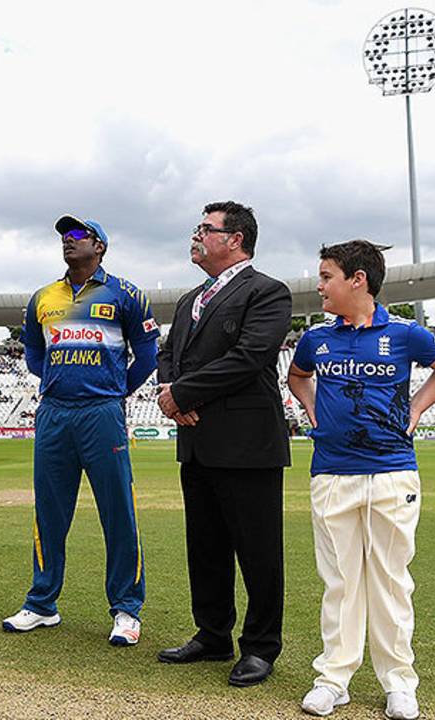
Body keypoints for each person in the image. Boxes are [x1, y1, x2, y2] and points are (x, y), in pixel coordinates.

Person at [287, 240, 435, 720]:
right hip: (332, 472)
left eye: (327, 277)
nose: (319, 285)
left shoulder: (406, 334)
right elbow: (297, 376)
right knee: (340, 582)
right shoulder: (315, 338)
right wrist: (310, 408)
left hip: (392, 472)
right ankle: (334, 679)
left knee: (389, 581)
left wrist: (416, 408)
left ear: (357, 280)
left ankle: (399, 684)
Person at [1, 214, 159, 646]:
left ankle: (126, 608)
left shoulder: (126, 294)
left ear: (100, 246)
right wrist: (57, 382)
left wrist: (114, 391)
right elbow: (35, 355)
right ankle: (41, 603)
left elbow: (147, 355)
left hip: (102, 413)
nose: (68, 242)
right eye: (64, 237)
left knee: (118, 513)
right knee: (49, 513)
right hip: (54, 412)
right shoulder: (42, 297)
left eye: (78, 236)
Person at [155, 201, 292, 687]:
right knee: (205, 545)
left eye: (205, 229)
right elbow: (168, 355)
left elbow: (249, 357)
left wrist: (183, 394)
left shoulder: (268, 292)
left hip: (247, 443)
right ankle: (212, 633)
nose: (196, 236)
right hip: (196, 440)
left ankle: (259, 646)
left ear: (235, 240)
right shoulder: (191, 297)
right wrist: (167, 393)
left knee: (257, 550)